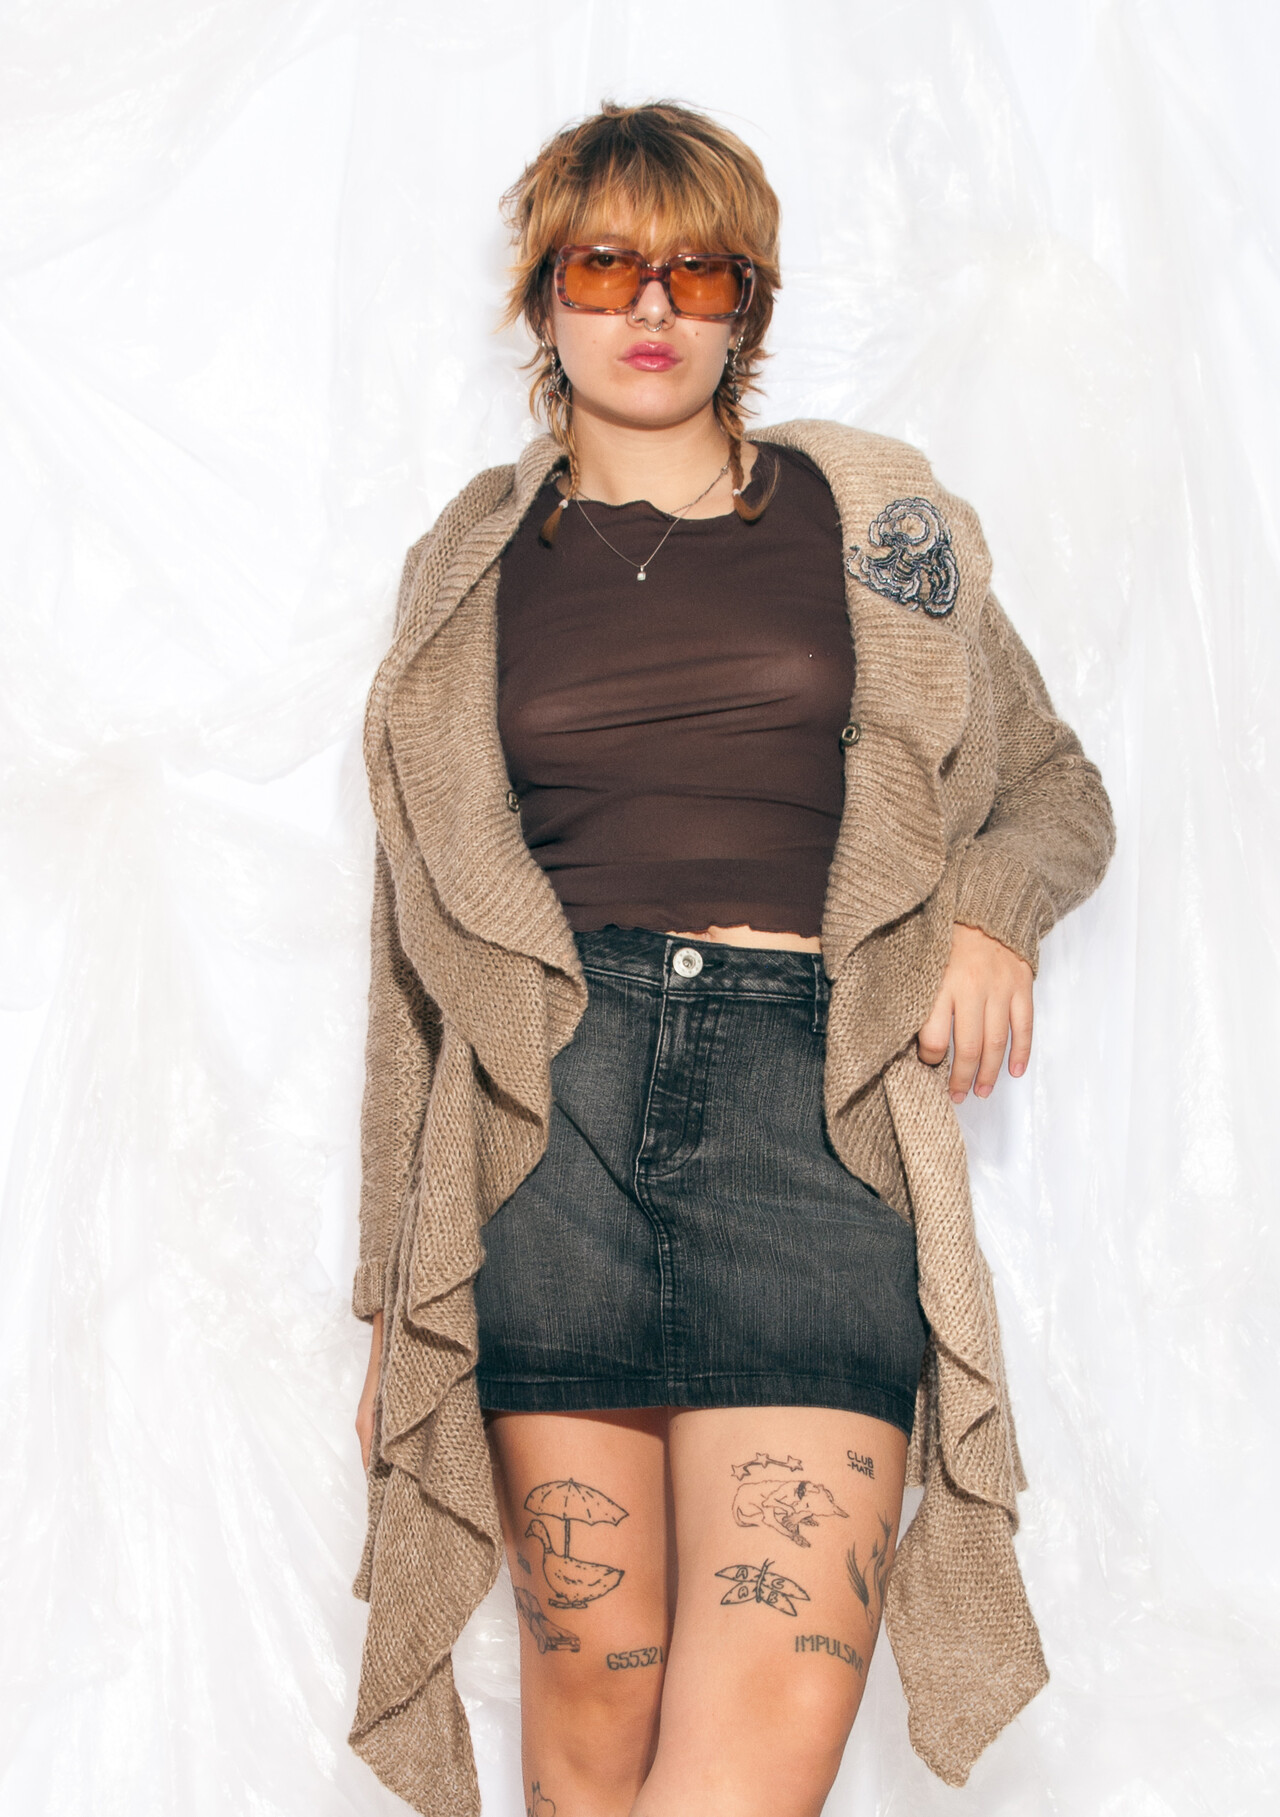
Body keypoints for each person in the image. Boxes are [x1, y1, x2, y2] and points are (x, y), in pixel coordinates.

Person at [349, 102, 1114, 1817]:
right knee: (589, 1730)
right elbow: (409, 961)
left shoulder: (874, 520)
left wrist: (990, 905)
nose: (651, 305)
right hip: (547, 1137)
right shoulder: (467, 569)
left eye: (699, 273)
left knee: (753, 1746)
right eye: (605, 264)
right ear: (541, 295)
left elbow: (1059, 786)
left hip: (813, 1126)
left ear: (747, 306)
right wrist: (399, 1290)